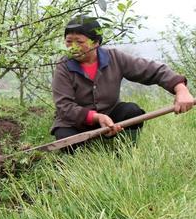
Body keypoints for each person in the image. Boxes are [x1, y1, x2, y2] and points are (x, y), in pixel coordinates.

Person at [51, 15, 193, 146]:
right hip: (75, 122)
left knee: (132, 111)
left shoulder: (114, 58)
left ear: (96, 42)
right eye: (69, 41)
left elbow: (152, 70)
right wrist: (95, 117)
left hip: (110, 116)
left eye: (79, 42)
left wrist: (180, 89)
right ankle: (86, 148)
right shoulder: (63, 66)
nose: (73, 47)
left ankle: (126, 150)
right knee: (67, 141)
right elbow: (64, 106)